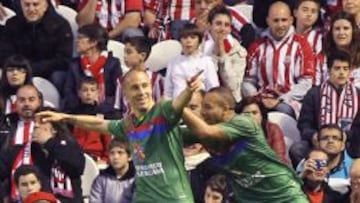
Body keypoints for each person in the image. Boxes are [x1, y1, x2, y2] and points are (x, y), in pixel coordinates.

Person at [36, 69, 203, 202]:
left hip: (174, 198)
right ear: (125, 94)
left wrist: (188, 91)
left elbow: (177, 104)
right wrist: (65, 117)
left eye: (145, 85)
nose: (142, 91)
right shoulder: (128, 124)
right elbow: (99, 124)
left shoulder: (162, 112)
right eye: (135, 87)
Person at [182, 86, 309, 202]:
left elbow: (206, 132)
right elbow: (167, 133)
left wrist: (178, 106)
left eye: (208, 107)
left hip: (284, 196)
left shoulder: (244, 123)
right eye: (202, 107)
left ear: (225, 109)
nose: (203, 112)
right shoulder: (203, 132)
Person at [244, 0, 315, 118]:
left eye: (284, 20)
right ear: (268, 21)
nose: (280, 25)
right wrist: (257, 97)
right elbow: (248, 81)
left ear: (291, 20)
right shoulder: (257, 47)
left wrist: (282, 99)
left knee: (283, 110)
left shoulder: (302, 45)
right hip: (261, 100)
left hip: (289, 102)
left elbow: (306, 83)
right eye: (276, 20)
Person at [0, 106, 85, 203]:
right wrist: (4, 196)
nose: (36, 125)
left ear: (55, 128)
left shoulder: (70, 146)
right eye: (34, 122)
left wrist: (49, 142)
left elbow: (77, 168)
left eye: (42, 122)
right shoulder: (19, 151)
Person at [292, 50, 359, 166]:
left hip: (348, 143)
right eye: (337, 68)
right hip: (319, 142)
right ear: (328, 71)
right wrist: (315, 136)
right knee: (297, 149)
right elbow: (304, 123)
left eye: (345, 69)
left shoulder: (358, 95)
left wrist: (347, 135)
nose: (342, 73)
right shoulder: (314, 94)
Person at [0, 0, 73, 93]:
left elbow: (64, 60)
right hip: (18, 70)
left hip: (48, 72)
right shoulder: (12, 24)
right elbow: (5, 54)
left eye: (35, 4)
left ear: (45, 6)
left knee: (59, 77)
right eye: (27, 5)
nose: (31, 9)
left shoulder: (61, 26)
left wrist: (30, 69)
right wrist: (20, 68)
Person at [64, 24, 122, 115]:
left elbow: (117, 93)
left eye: (80, 38)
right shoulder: (75, 65)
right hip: (80, 112)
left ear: (93, 42)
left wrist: (98, 109)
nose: (76, 41)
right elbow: (69, 91)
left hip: (106, 112)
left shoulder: (113, 64)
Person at [200, 5, 247, 102]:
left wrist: (222, 55)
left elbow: (232, 86)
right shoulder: (199, 49)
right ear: (209, 26)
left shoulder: (239, 51)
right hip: (204, 100)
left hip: (230, 101)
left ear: (230, 29)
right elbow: (202, 81)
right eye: (218, 24)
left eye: (226, 25)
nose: (222, 29)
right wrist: (214, 55)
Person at [165, 23, 219, 99]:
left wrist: (201, 86)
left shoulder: (206, 61)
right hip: (176, 105)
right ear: (180, 40)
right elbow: (168, 91)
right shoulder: (173, 62)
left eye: (193, 37)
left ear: (199, 41)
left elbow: (214, 88)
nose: (188, 41)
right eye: (184, 37)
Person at [114, 36, 164, 116]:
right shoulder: (121, 80)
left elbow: (160, 105)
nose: (125, 56)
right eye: (125, 53)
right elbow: (118, 107)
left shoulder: (156, 79)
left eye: (129, 52)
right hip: (129, 125)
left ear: (142, 56)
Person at [236, 96, 289, 164]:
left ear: (261, 115)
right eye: (246, 114)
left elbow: (279, 158)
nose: (251, 117)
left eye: (254, 113)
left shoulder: (273, 130)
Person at [71, 77, 112, 163]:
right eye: (85, 90)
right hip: (76, 155)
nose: (88, 93)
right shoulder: (73, 114)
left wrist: (105, 158)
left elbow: (107, 140)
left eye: (92, 90)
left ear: (98, 93)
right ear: (79, 93)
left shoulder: (102, 115)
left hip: (96, 156)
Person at [90, 137, 135, 203]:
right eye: (112, 153)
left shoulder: (136, 180)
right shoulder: (101, 179)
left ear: (129, 156)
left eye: (120, 152)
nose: (115, 157)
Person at [324, 11, 360, 87]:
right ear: (331, 32)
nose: (341, 32)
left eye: (346, 28)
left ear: (353, 31)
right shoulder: (322, 57)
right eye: (337, 29)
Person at [76, 0, 143, 40]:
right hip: (95, 36)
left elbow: (133, 20)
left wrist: (107, 36)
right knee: (82, 36)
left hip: (120, 34)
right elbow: (83, 23)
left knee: (133, 33)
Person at [293, 0, 325, 85]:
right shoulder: (286, 38)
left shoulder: (321, 39)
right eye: (305, 10)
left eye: (313, 11)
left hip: (313, 88)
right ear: (295, 12)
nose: (309, 14)